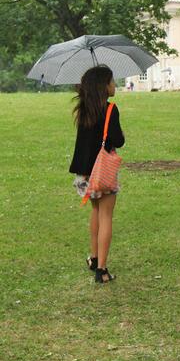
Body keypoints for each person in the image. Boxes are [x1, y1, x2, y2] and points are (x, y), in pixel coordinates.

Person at [69, 66, 124, 283]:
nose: (114, 85)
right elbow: (118, 140)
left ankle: (93, 258)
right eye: (112, 81)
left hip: (84, 175)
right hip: (104, 173)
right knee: (106, 216)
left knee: (95, 212)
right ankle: (102, 270)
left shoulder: (83, 110)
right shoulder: (111, 110)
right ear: (104, 86)